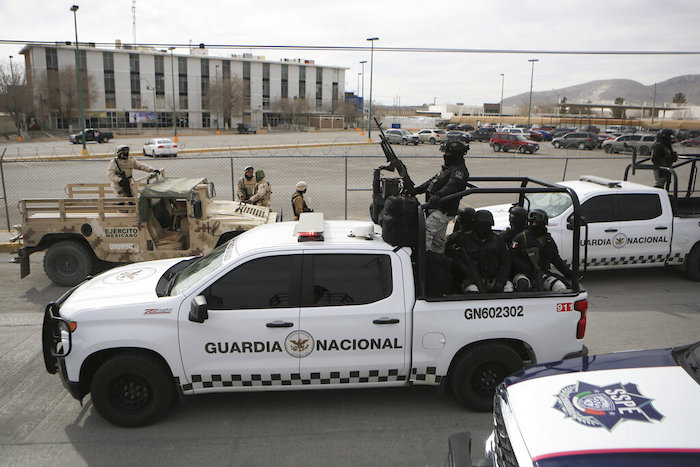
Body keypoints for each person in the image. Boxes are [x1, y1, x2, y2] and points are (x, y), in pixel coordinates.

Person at [413, 141, 469, 254]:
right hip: (437, 208)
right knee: (438, 240)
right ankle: (438, 261)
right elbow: (432, 182)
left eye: (448, 153)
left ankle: (425, 259)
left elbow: (453, 185)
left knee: (425, 230)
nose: (445, 155)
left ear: (455, 155)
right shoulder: (448, 169)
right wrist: (416, 190)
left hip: (445, 210)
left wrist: (439, 195)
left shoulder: (458, 170)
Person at [447, 209, 512, 293]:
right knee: (472, 290)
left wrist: (501, 281)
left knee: (508, 289)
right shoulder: (464, 240)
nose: (483, 229)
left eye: (486, 225)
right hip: (471, 280)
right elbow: (456, 261)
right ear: (474, 225)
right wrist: (466, 272)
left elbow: (505, 263)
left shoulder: (498, 240)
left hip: (494, 278)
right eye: (480, 225)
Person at [510, 209, 572, 292]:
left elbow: (556, 260)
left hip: (542, 274)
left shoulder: (548, 241)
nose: (534, 225)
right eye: (532, 223)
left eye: (537, 223)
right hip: (523, 274)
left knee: (560, 287)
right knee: (523, 284)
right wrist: (526, 269)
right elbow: (512, 258)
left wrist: (569, 273)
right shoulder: (520, 238)